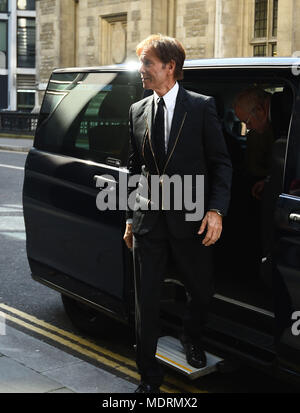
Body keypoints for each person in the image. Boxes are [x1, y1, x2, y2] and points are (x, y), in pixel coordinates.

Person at [123, 34, 232, 393]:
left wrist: (215, 210)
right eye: (142, 63)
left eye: (147, 63)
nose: (142, 70)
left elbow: (221, 163)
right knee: (146, 302)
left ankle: (191, 336)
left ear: (170, 67)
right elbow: (135, 168)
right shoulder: (137, 110)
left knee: (202, 292)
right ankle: (148, 380)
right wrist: (129, 218)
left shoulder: (201, 107)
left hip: (191, 221)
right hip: (148, 223)